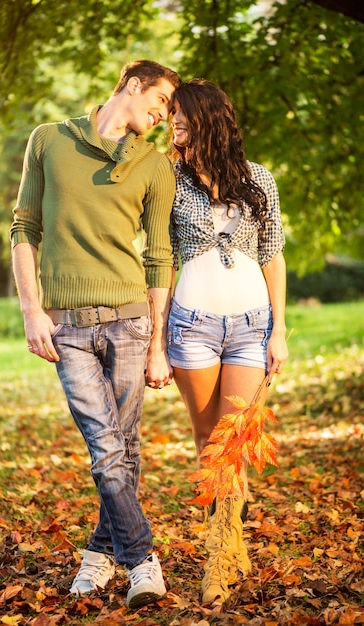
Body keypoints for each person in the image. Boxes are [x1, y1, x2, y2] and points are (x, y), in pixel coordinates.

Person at [10, 59, 181, 609]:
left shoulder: (154, 166)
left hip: (131, 321)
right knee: (108, 450)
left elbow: (159, 257)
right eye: (159, 103)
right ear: (133, 86)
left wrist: (158, 344)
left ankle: (98, 556)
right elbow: (24, 228)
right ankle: (143, 561)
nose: (160, 116)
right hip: (70, 329)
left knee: (121, 451)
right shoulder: (50, 140)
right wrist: (32, 311)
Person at [167, 79, 288, 604]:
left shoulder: (258, 179)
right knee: (208, 443)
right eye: (169, 113)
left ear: (208, 118)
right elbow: (162, 260)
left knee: (234, 442)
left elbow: (273, 255)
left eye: (181, 114)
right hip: (191, 324)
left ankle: (221, 556)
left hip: (251, 324)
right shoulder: (167, 180)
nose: (172, 123)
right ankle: (227, 544)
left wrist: (280, 329)